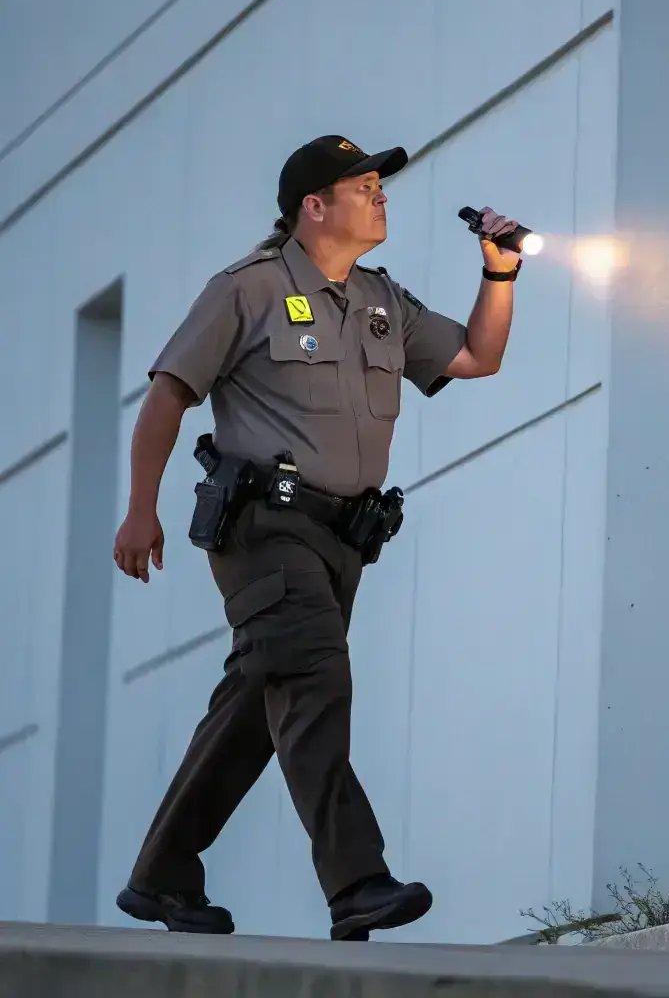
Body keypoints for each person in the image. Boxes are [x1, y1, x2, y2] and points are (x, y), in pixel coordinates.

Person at [110, 134, 525, 941]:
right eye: (363, 186)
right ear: (314, 206)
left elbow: (478, 357)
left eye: (379, 185)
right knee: (315, 682)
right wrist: (140, 509)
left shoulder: (379, 299)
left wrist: (500, 273)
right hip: (264, 528)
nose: (380, 195)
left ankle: (161, 875)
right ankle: (356, 882)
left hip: (343, 540)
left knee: (257, 702)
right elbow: (168, 393)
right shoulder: (249, 288)